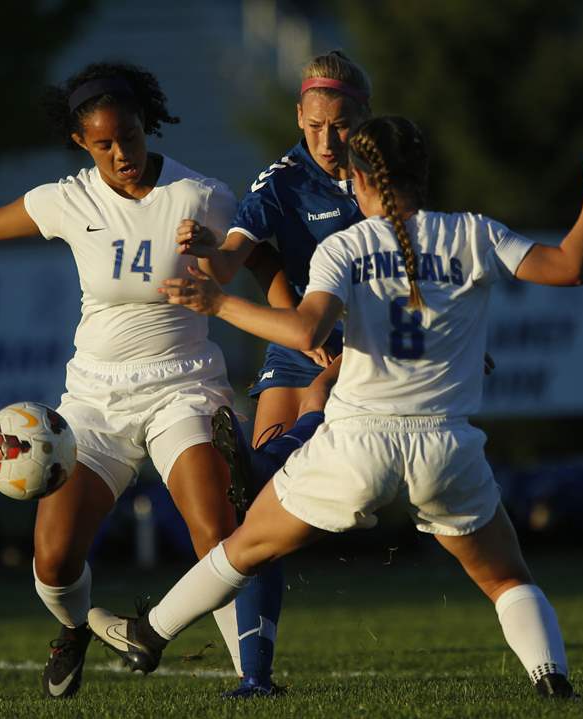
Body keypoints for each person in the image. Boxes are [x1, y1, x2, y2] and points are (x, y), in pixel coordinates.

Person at [88, 114, 583, 699]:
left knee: (245, 545)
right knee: (506, 577)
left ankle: (149, 634)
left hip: (357, 445)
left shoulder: (346, 245)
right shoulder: (474, 233)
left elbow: (305, 332)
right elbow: (571, 267)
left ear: (357, 180)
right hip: (445, 448)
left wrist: (217, 305)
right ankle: (552, 683)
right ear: (424, 174)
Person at [0, 62, 244, 699]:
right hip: (95, 402)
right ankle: (75, 627)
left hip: (182, 388)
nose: (121, 154)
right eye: (104, 144)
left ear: (147, 126)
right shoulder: (68, 198)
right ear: (81, 143)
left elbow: (244, 261)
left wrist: (219, 258)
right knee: (52, 561)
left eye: (130, 137)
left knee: (215, 533)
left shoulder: (201, 195)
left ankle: (253, 678)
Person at [175, 49, 373, 697]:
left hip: (369, 348)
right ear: (298, 116)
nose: (325, 139)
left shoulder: (388, 174)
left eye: (339, 125)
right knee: (253, 516)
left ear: (362, 118)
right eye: (313, 125)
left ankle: (267, 456)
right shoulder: (281, 180)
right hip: (298, 344)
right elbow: (234, 259)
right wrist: (207, 255)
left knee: (273, 475)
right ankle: (255, 678)